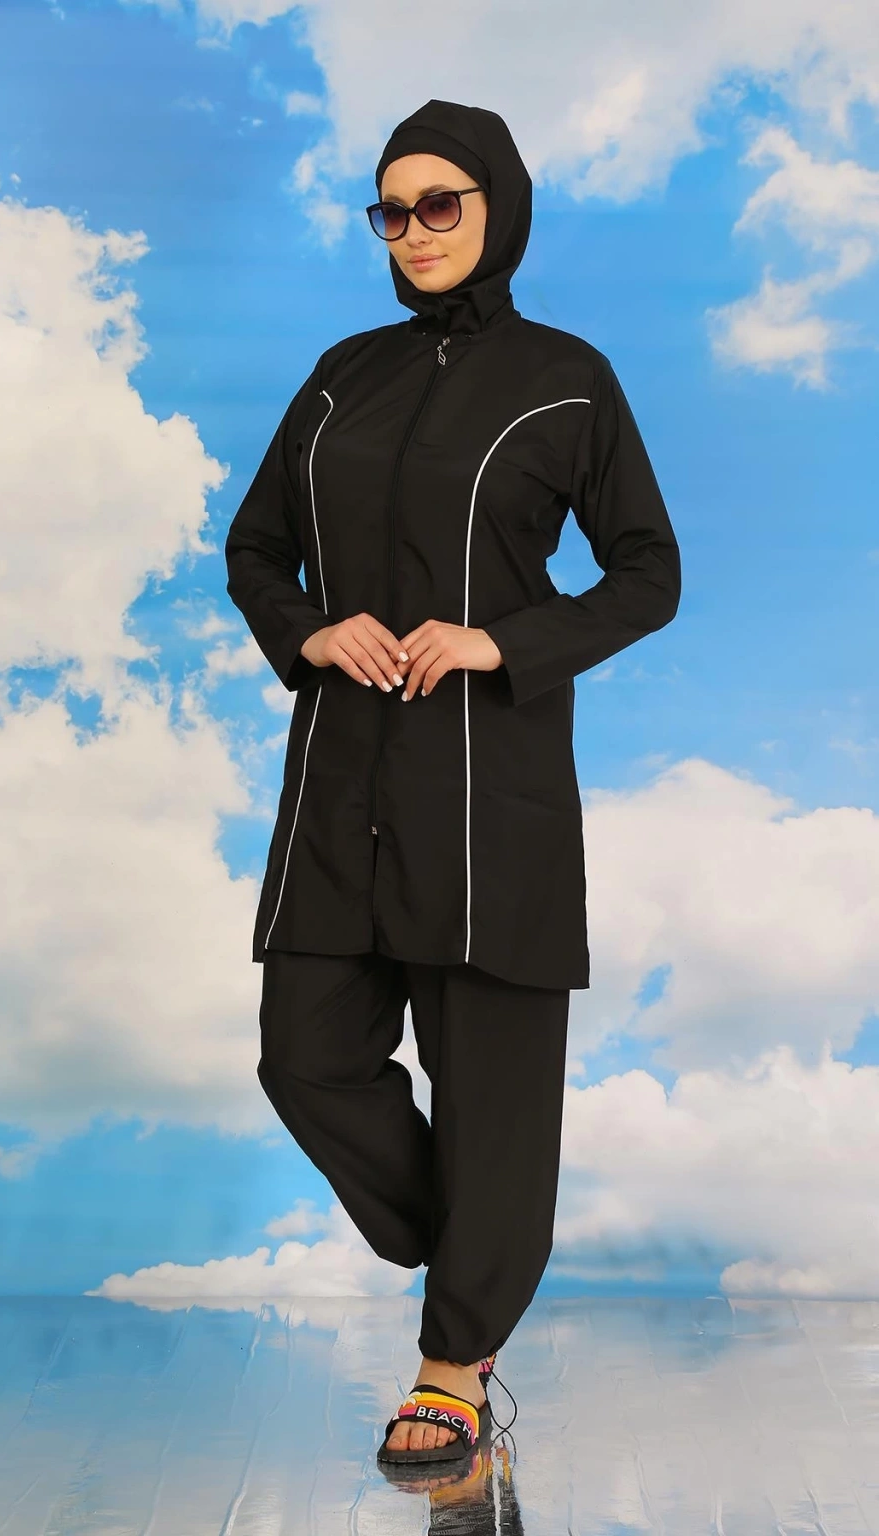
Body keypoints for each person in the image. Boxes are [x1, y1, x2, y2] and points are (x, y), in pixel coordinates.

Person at [224, 98, 681, 1465]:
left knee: (491, 1090)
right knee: (306, 1057)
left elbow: (649, 571)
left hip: (490, 788)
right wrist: (310, 631)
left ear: (500, 208)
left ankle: (453, 1364)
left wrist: (504, 642)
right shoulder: (339, 378)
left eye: (442, 204)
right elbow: (255, 549)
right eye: (393, 210)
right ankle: (482, 1242)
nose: (415, 231)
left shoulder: (567, 379)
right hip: (341, 779)